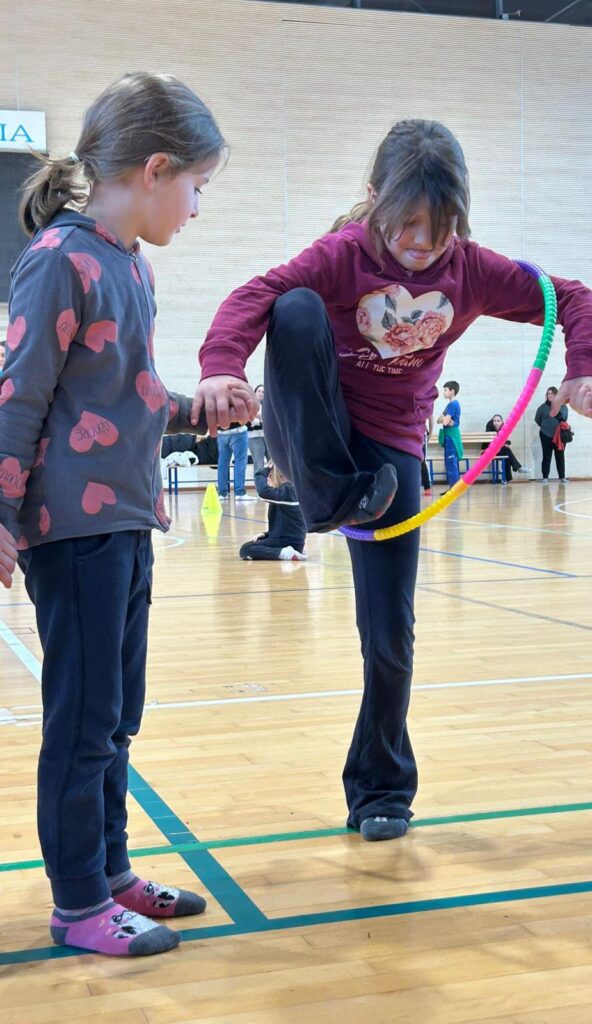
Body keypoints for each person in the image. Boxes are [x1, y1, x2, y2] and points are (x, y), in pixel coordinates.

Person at [193, 118, 592, 842]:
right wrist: (220, 366)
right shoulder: (341, 255)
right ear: (374, 200)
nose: (421, 244)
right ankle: (324, 493)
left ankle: (381, 790)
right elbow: (251, 296)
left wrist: (586, 366)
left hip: (389, 456)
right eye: (407, 226)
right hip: (318, 431)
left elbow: (569, 297)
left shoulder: (473, 271)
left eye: (440, 228)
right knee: (292, 306)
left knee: (389, 636)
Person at [0, 73, 251, 956]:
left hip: (127, 523)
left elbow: (128, 396)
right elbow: (19, 398)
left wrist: (200, 408)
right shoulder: (59, 261)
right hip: (71, 532)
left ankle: (110, 871)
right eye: (197, 187)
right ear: (154, 170)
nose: (196, 207)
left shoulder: (127, 267)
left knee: (114, 714)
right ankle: (77, 905)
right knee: (81, 720)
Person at [239, 463, 307, 561]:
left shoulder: (289, 492)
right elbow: (287, 525)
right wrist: (266, 534)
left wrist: (261, 473)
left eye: (269, 477)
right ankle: (291, 551)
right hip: (292, 540)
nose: (268, 481)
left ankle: (283, 553)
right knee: (252, 544)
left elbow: (262, 492)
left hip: (287, 541)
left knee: (245, 549)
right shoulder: (288, 492)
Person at [534, 386, 569, 482]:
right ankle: (545, 477)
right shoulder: (542, 407)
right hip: (545, 435)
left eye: (552, 394)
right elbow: (537, 419)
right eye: (548, 394)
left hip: (560, 436)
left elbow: (565, 418)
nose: (549, 395)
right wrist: (546, 426)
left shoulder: (563, 406)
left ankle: (562, 477)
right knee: (546, 456)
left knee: (560, 456)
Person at [482, 414, 529, 482]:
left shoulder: (503, 429)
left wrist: (505, 443)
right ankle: (516, 469)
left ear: (501, 422)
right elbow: (490, 443)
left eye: (498, 421)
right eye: (494, 421)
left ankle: (507, 478)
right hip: (488, 451)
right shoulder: (489, 428)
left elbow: (506, 440)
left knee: (507, 453)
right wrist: (503, 444)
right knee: (507, 451)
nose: (496, 423)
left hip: (497, 451)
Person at [216, 419, 253, 501]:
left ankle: (222, 493)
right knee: (240, 461)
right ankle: (239, 493)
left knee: (222, 463)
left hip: (221, 432)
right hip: (238, 431)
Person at [436, 380, 462, 491]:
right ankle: (453, 488)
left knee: (451, 463)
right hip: (449, 436)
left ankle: (454, 489)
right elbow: (439, 420)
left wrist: (446, 419)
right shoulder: (449, 405)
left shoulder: (453, 404)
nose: (444, 392)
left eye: (446, 390)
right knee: (450, 463)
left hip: (452, 438)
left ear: (452, 391)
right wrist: (445, 419)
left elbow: (446, 422)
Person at [247, 383, 268, 481]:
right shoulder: (249, 405)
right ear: (255, 393)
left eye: (263, 392)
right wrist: (261, 420)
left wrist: (259, 420)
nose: (261, 393)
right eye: (259, 391)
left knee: (273, 462)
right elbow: (249, 423)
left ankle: (274, 486)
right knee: (259, 463)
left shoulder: (269, 405)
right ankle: (260, 488)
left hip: (268, 437)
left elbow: (270, 421)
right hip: (254, 437)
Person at [420, 415, 433, 497]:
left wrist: (429, 434)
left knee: (422, 461)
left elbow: (431, 418)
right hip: (419, 433)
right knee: (422, 461)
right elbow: (431, 418)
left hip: (420, 433)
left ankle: (427, 487)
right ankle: (427, 488)